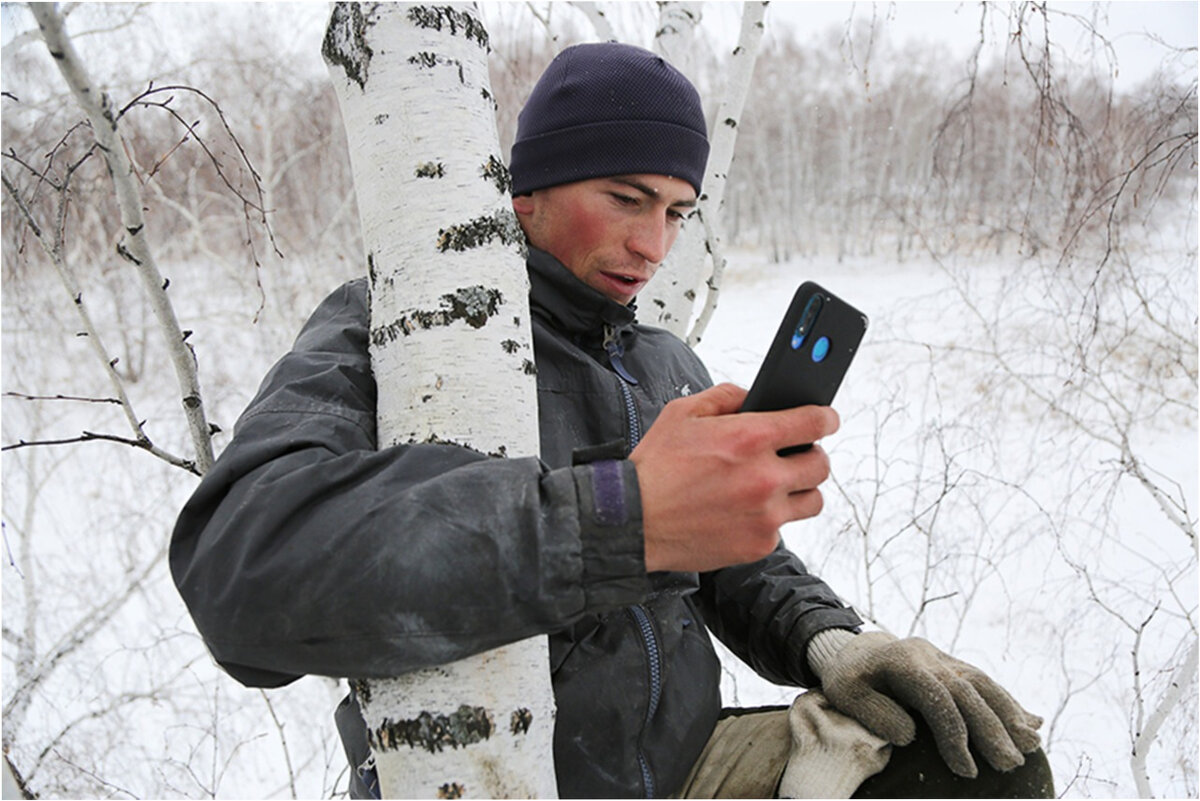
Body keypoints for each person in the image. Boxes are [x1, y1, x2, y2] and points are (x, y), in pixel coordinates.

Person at [170, 42, 1053, 799]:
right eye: (627, 198)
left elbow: (730, 565)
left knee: (979, 763)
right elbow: (240, 572)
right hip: (511, 777)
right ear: (528, 191)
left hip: (686, 761)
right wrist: (619, 520)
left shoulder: (664, 360)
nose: (654, 246)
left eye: (676, 211)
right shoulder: (398, 325)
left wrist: (834, 639)